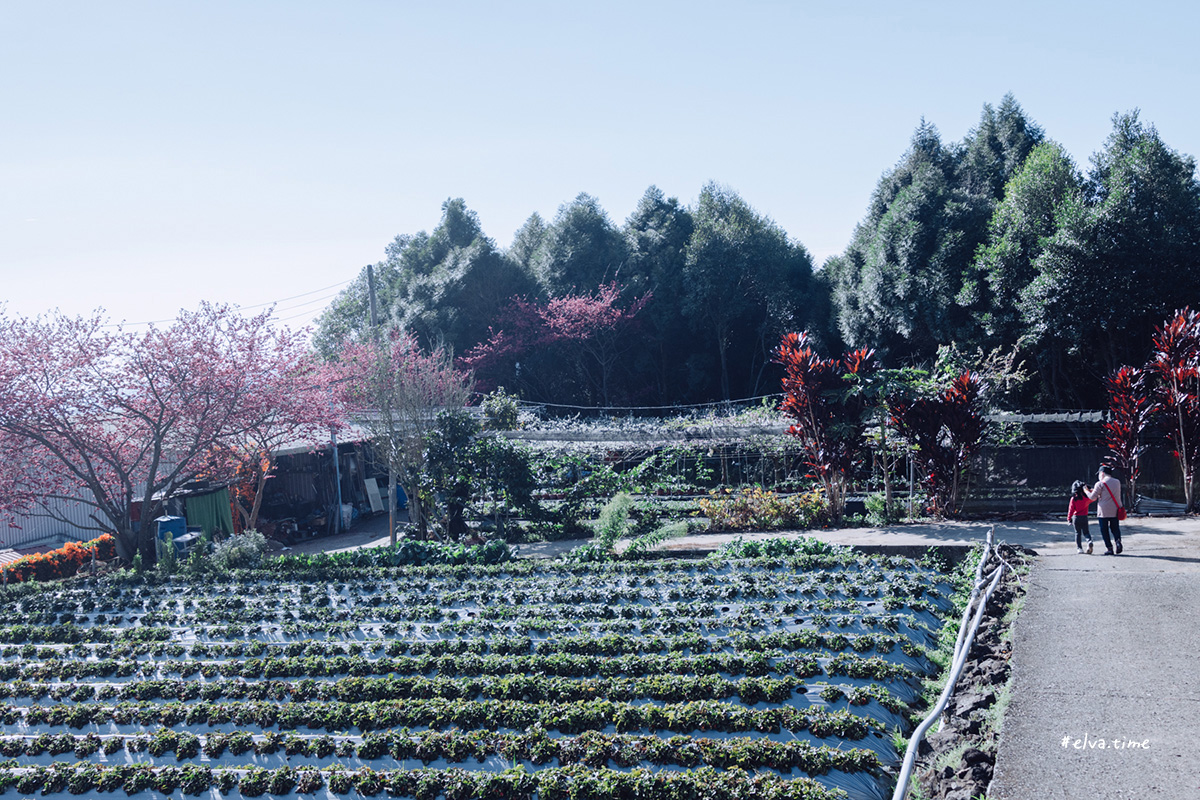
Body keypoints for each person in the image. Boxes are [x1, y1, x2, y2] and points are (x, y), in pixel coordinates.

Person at [1087, 465, 1124, 555]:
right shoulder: (1117, 482)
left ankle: (1109, 548)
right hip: (1116, 509)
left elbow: (1092, 497)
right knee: (1115, 528)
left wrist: (1086, 491)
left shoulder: (1100, 483)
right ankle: (1118, 541)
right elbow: (1108, 493)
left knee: (1104, 530)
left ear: (1102, 473)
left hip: (1103, 511)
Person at [1067, 480, 1094, 554]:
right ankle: (1089, 541)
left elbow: (1071, 509)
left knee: (1077, 533)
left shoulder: (1074, 499)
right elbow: (1094, 496)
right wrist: (1087, 489)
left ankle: (1079, 548)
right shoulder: (1086, 498)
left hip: (1076, 517)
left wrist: (1069, 519)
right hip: (1084, 517)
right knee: (1086, 532)